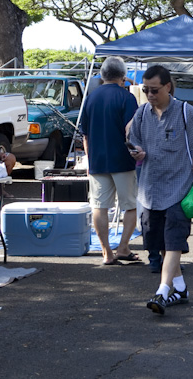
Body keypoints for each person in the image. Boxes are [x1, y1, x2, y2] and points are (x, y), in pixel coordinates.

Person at [128, 65, 193, 316]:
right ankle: (180, 288)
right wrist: (137, 152)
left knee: (174, 241)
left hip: (179, 189)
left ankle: (163, 291)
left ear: (167, 87)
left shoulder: (185, 112)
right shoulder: (141, 114)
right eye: (146, 90)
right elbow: (134, 142)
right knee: (161, 243)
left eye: (154, 90)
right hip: (150, 191)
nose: (150, 95)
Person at [78, 56, 139, 266]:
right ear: (123, 76)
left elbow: (84, 134)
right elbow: (130, 129)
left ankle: (106, 252)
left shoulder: (91, 98)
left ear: (102, 75)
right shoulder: (127, 98)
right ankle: (123, 247)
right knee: (130, 206)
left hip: (97, 160)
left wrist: (89, 159)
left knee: (99, 206)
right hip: (123, 159)